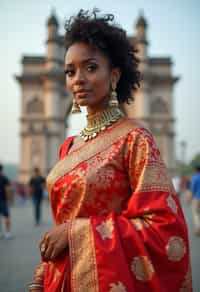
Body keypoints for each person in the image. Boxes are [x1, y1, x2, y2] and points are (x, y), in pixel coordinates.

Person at [29, 9, 192, 292]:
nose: (78, 78)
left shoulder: (136, 139)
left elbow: (164, 229)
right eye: (70, 71)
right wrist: (44, 272)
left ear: (114, 75)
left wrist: (75, 234)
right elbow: (63, 218)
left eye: (90, 68)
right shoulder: (69, 146)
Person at [0, 164, 14, 239]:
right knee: (6, 216)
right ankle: (7, 233)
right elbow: (8, 189)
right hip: (3, 200)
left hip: (3, 200)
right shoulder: (4, 178)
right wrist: (10, 200)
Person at [190, 166, 200, 235]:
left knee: (196, 213)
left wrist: (190, 198)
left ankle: (198, 227)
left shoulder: (195, 177)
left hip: (197, 198)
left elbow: (192, 188)